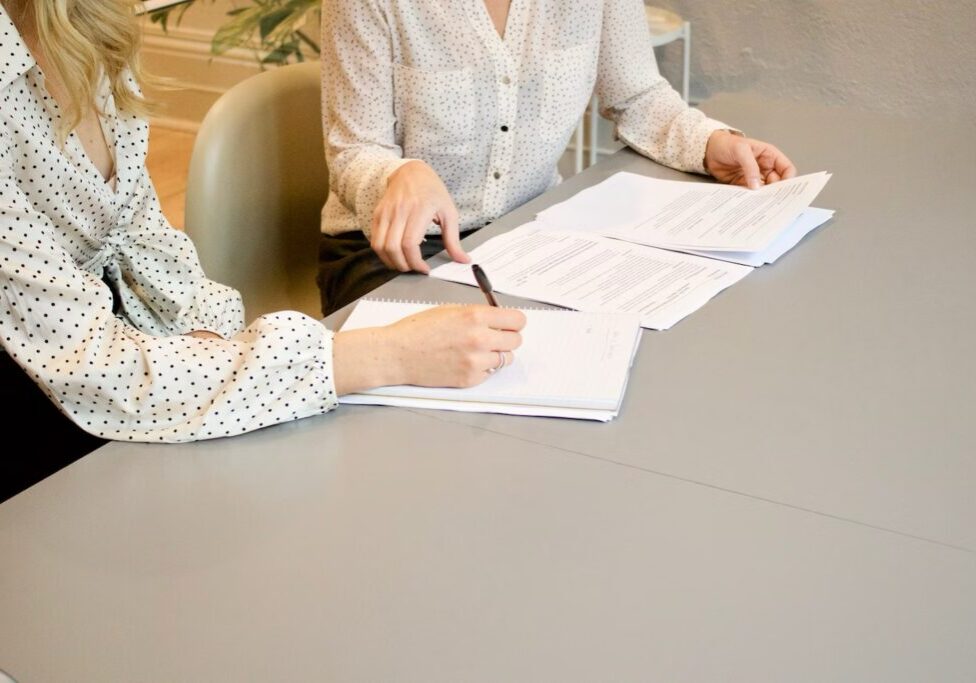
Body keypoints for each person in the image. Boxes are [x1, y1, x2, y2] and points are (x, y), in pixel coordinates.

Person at [0, 0, 525, 503]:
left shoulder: (84, 28)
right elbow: (93, 366)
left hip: (118, 364)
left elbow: (143, 238)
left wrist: (206, 339)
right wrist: (385, 355)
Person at [318, 0, 798, 315]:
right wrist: (399, 174)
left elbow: (636, 95)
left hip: (527, 237)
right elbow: (354, 149)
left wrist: (711, 143)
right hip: (391, 253)